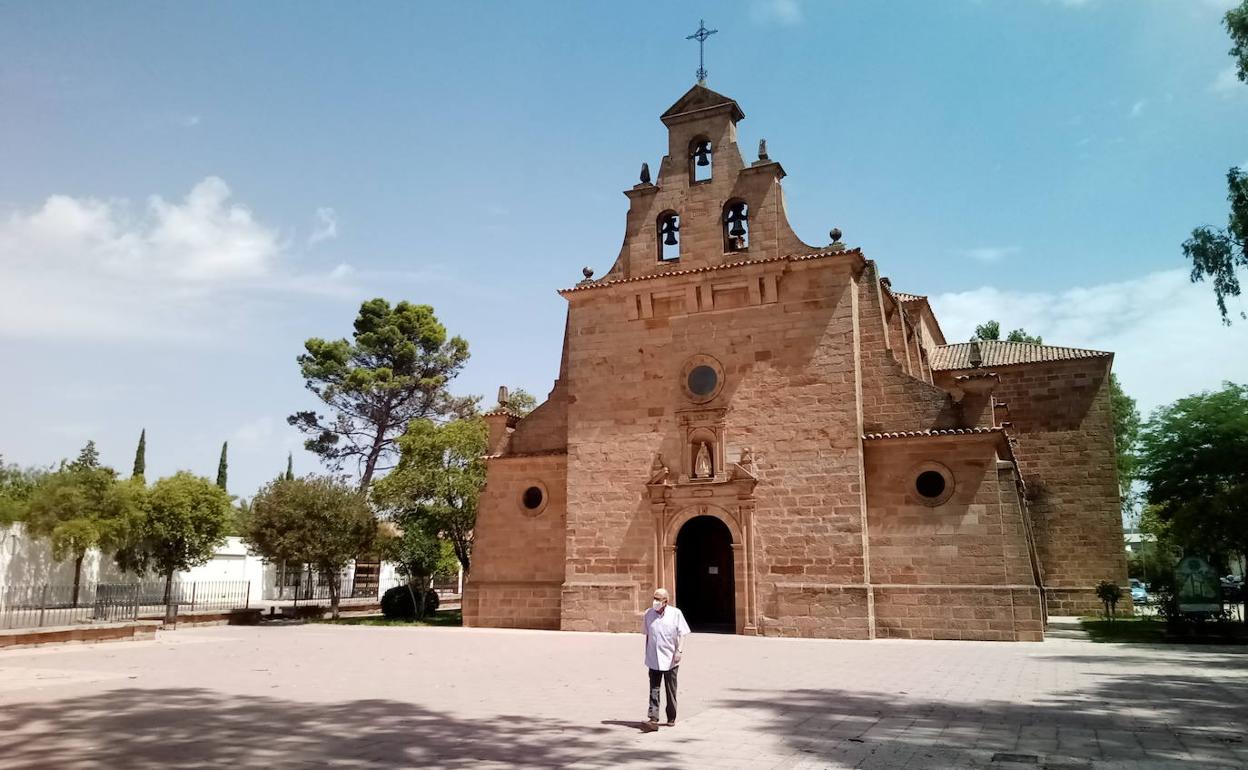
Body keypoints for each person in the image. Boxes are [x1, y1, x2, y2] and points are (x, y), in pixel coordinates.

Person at [643, 587, 690, 727]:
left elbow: (683, 633)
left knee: (670, 689)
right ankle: (653, 717)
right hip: (653, 657)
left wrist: (679, 651)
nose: (655, 601)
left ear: (665, 601)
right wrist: (647, 653)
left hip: (671, 658)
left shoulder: (676, 614)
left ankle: (671, 717)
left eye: (658, 599)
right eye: (654, 598)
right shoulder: (648, 614)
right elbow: (647, 635)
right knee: (654, 688)